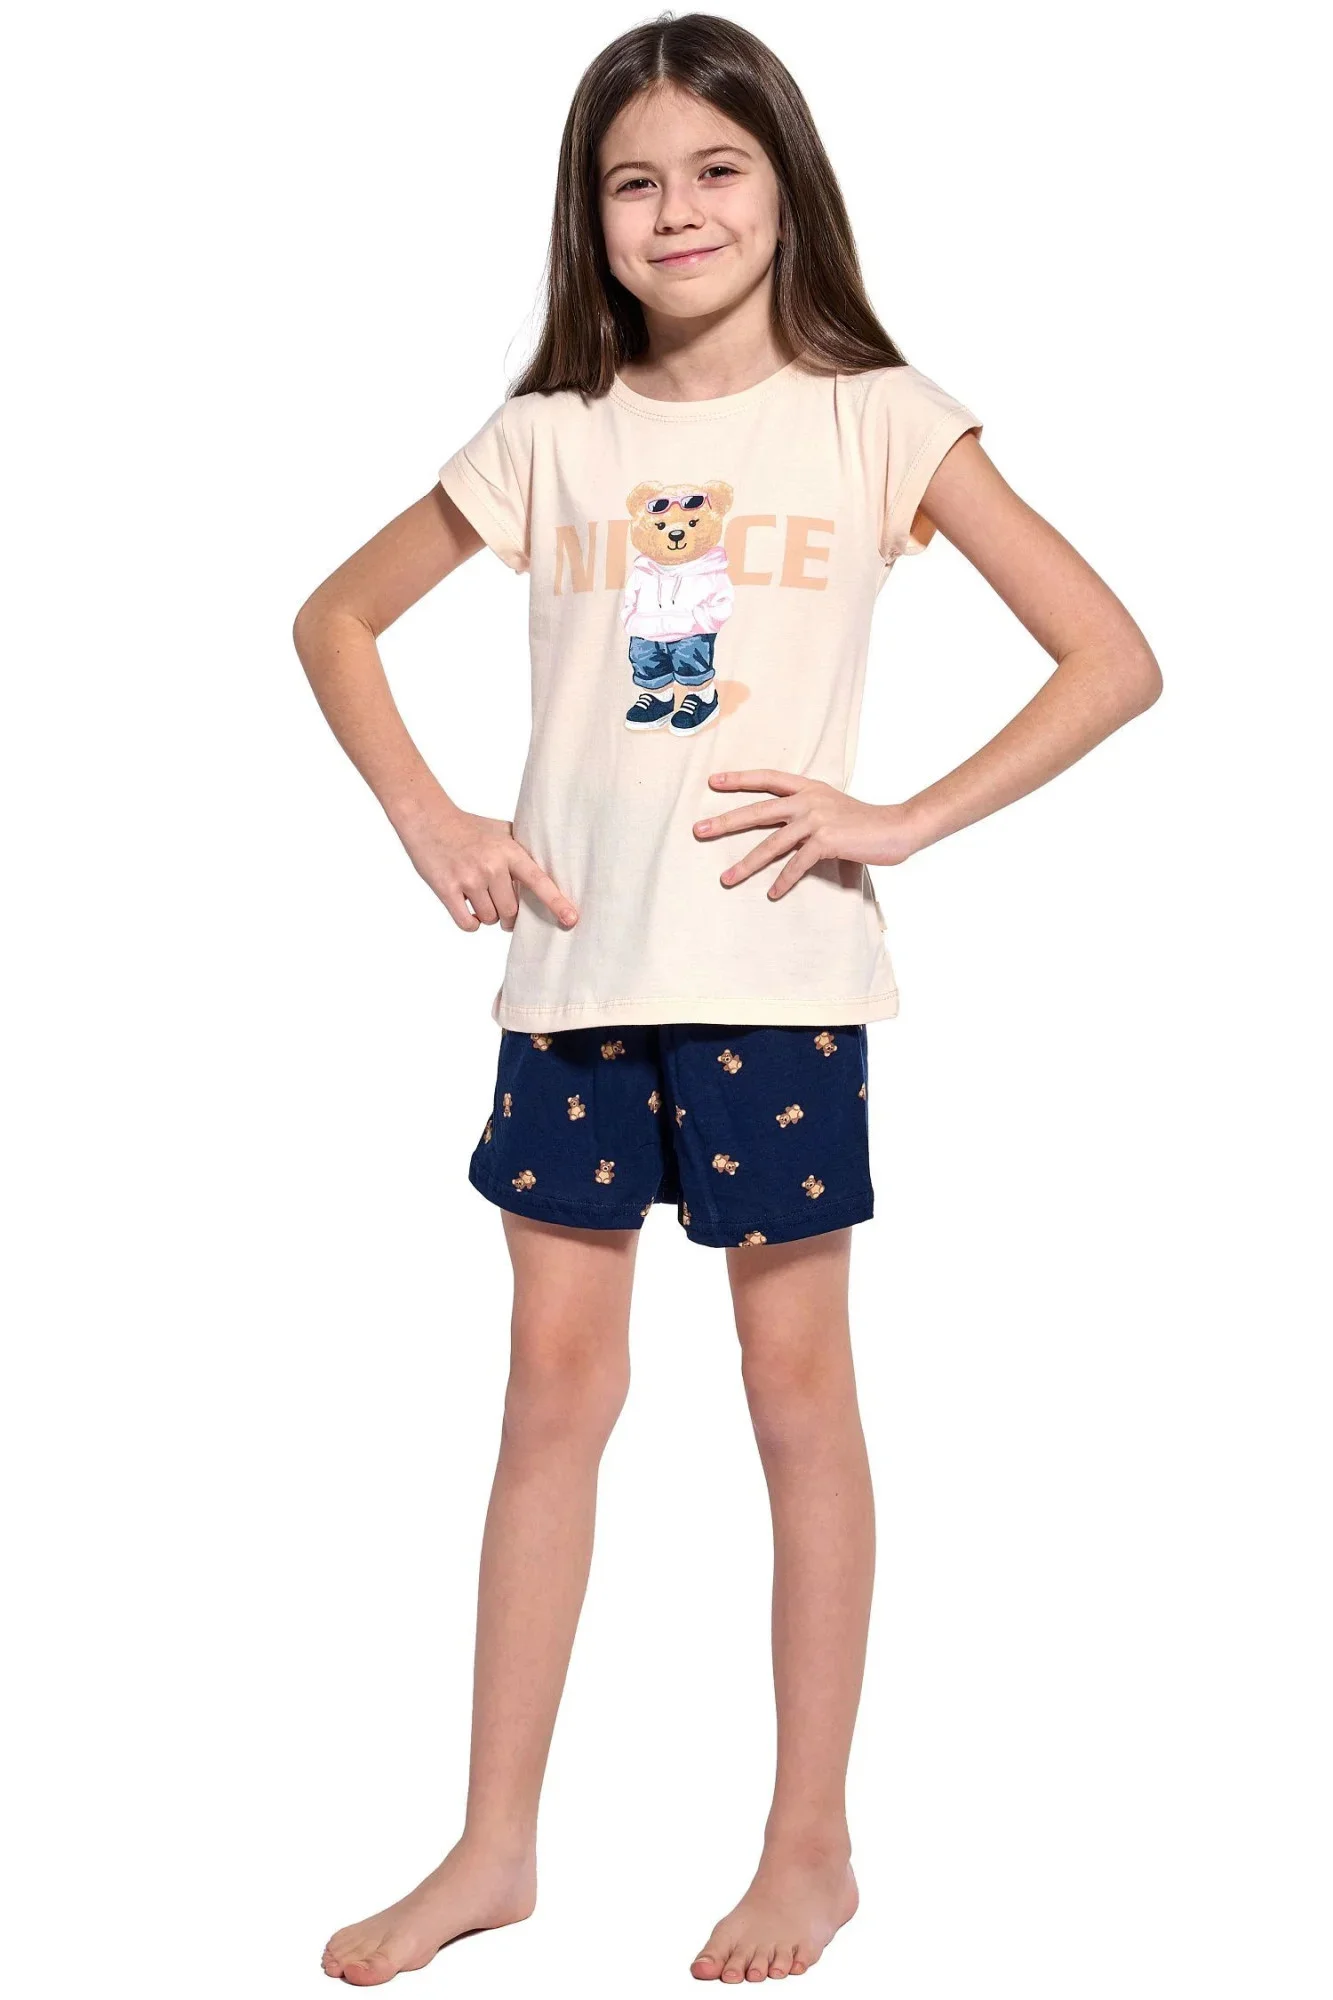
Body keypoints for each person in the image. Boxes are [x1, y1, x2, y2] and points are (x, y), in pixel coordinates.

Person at [293, 13, 1162, 1987]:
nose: (675, 210)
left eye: (715, 170)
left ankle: (810, 1845)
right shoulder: (550, 437)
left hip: (777, 981)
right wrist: (431, 813)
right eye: (633, 179)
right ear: (587, 214)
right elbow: (333, 616)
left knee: (795, 1399)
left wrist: (904, 816)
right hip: (574, 974)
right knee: (550, 1394)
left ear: (787, 189)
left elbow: (1111, 655)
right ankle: (493, 1844)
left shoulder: (878, 419)